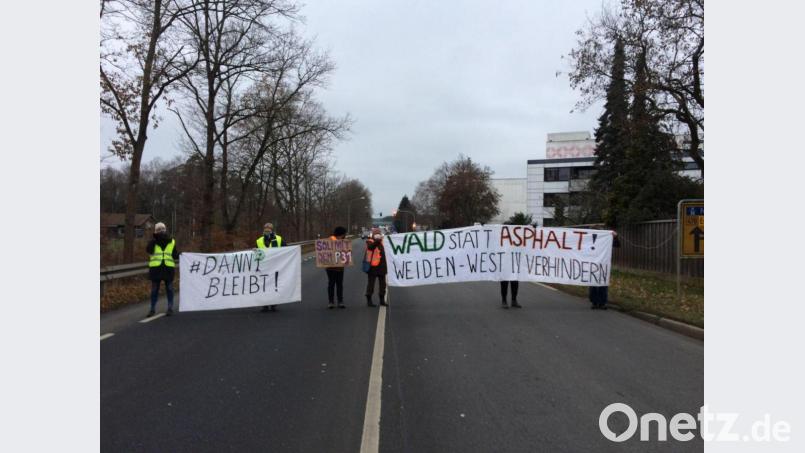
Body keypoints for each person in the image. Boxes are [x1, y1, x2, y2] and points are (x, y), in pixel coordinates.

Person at [146, 222, 179, 317]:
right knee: (154, 290)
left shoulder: (171, 241)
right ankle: (152, 309)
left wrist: (182, 255)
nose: (161, 231)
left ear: (165, 230)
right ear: (156, 231)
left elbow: (174, 254)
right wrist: (154, 240)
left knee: (169, 288)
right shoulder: (152, 242)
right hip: (156, 269)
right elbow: (149, 250)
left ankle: (170, 308)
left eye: (162, 229)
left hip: (168, 268)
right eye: (159, 229)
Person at [256, 222, 283, 312]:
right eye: (265, 229)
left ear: (272, 230)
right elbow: (257, 253)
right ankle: (265, 305)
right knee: (264, 285)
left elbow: (286, 250)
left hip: (275, 266)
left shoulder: (278, 239)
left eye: (269, 229)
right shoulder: (259, 240)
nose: (267, 230)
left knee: (273, 285)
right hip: (264, 267)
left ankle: (273, 304)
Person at [590, 230, 620, 310]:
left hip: (603, 265)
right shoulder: (588, 240)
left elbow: (617, 245)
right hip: (592, 265)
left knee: (603, 284)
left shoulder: (606, 240)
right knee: (593, 284)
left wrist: (615, 237)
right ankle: (595, 302)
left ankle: (602, 303)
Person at [364, 227, 387, 307]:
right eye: (376, 234)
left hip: (382, 267)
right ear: (373, 235)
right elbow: (371, 247)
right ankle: (369, 300)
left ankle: (382, 300)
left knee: (383, 285)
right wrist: (377, 241)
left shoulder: (383, 242)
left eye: (378, 233)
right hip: (372, 267)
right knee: (371, 284)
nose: (377, 235)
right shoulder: (369, 241)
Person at [326, 226, 348, 309]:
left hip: (339, 267)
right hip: (331, 267)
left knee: (338, 284)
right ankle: (333, 302)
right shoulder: (331, 240)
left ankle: (338, 301)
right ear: (341, 234)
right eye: (344, 234)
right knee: (333, 284)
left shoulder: (342, 241)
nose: (345, 235)